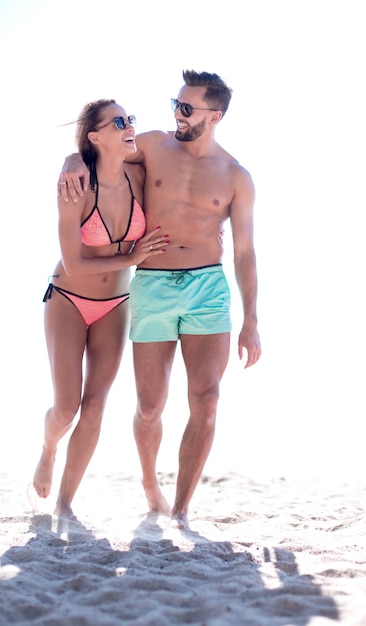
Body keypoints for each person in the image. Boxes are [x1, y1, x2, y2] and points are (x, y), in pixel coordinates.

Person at [58, 70, 261, 529]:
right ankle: (152, 484)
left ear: (215, 116)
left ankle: (183, 509)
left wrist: (251, 319)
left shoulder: (236, 176)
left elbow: (245, 252)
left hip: (208, 287)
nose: (177, 113)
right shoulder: (151, 145)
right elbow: (101, 156)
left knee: (206, 399)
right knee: (150, 406)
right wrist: (72, 159)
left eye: (186, 108)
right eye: (176, 103)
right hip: (152, 283)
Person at [32, 99, 168, 518]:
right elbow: (74, 262)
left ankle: (65, 505)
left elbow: (181, 178)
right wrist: (131, 258)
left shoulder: (139, 175)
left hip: (115, 304)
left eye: (131, 120)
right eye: (119, 122)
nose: (130, 127)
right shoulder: (76, 185)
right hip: (69, 300)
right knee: (67, 407)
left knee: (95, 406)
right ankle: (48, 448)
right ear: (95, 136)